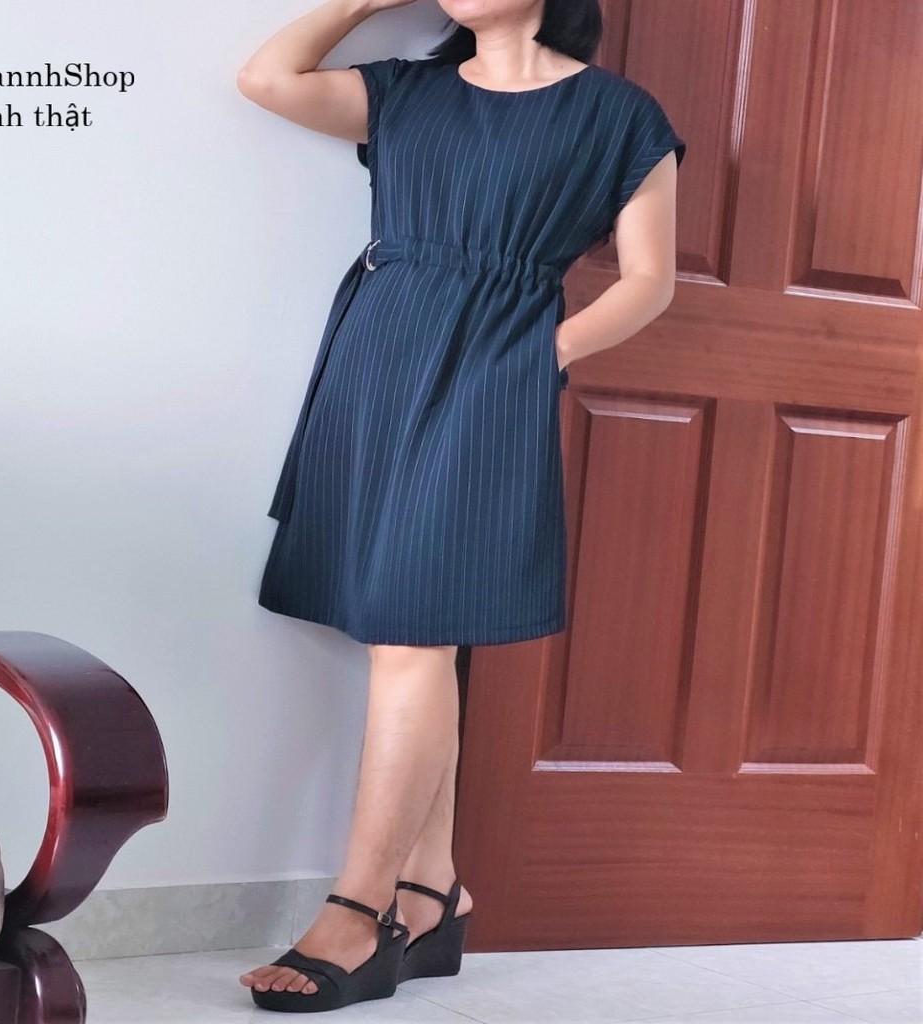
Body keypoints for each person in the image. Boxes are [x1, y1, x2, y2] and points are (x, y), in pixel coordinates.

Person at [236, 0, 686, 1011]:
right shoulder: (409, 95)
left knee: (413, 631)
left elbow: (650, 280)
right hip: (375, 361)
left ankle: (358, 910)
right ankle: (432, 888)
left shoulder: (620, 115)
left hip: (495, 372)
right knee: (406, 631)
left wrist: (539, 358)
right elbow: (265, 80)